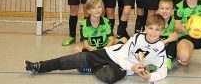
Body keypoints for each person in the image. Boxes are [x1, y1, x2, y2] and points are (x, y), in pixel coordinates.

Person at [24, 14, 168, 84]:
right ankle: (39, 66)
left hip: (124, 68)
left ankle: (92, 68)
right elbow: (121, 55)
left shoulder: (160, 47)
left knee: (109, 77)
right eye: (150, 28)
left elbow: (163, 71)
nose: (153, 32)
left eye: (157, 30)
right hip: (112, 55)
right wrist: (132, 66)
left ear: (162, 31)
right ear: (146, 28)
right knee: (76, 59)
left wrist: (151, 77)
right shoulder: (137, 37)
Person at [157, 0, 179, 70]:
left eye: (167, 9)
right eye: (162, 8)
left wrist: (165, 41)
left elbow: (175, 35)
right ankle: (154, 60)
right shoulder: (155, 20)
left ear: (172, 10)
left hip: (169, 42)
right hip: (159, 41)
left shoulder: (175, 21)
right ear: (158, 10)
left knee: (172, 40)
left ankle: (168, 59)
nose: (164, 11)